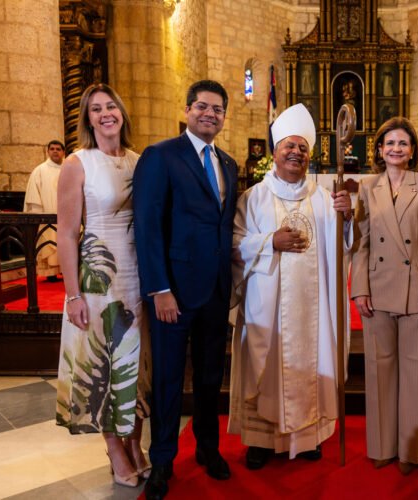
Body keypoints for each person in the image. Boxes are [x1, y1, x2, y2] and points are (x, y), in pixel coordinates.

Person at [229, 103, 353, 469]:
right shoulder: (253, 197)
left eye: (302, 147)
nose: (296, 153)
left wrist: (346, 219)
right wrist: (270, 242)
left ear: (310, 155)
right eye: (289, 146)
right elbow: (235, 246)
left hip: (312, 310)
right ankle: (261, 442)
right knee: (264, 366)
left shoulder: (325, 199)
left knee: (312, 364)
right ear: (274, 152)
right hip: (266, 306)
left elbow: (344, 246)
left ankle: (308, 437)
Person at [133, 80, 238, 500]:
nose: (209, 113)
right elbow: (147, 225)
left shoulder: (227, 163)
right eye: (202, 106)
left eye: (217, 109)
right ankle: (162, 461)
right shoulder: (161, 156)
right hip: (172, 292)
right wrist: (159, 288)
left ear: (224, 116)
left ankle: (208, 449)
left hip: (214, 290)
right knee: (169, 379)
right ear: (188, 109)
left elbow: (223, 227)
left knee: (211, 377)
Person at [55, 83, 151, 489]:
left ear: (122, 112)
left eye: (111, 106)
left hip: (139, 274)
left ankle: (135, 441)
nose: (106, 114)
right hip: (98, 279)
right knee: (106, 364)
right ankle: (114, 447)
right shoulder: (78, 163)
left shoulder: (139, 160)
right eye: (96, 109)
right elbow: (65, 234)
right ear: (87, 118)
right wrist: (73, 293)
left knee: (137, 364)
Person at [350, 117, 418, 475]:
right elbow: (360, 244)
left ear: (412, 151)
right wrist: (359, 288)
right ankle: (381, 446)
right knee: (379, 370)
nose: (395, 149)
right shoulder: (366, 186)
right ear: (379, 149)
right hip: (375, 292)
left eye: (403, 143)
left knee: (416, 372)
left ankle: (412, 451)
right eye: (389, 143)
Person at [24, 140, 66, 281]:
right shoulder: (40, 170)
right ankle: (51, 273)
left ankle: (67, 271)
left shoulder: (69, 168)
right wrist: (38, 214)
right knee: (49, 241)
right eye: (52, 149)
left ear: (63, 152)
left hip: (67, 215)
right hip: (48, 214)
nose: (55, 151)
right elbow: (33, 194)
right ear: (48, 152)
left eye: (58, 149)